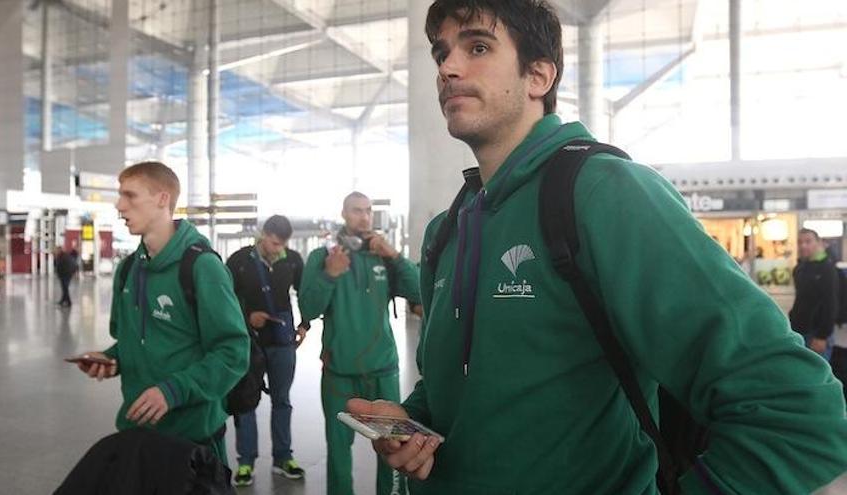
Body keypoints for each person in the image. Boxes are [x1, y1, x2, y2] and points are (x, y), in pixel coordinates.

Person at [347, 1, 847, 494]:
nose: (448, 68)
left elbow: (796, 411)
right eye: (440, 54)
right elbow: (452, 386)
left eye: (477, 46)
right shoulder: (446, 229)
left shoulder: (604, 193)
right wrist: (412, 422)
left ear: (538, 76)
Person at [73, 161, 249, 464]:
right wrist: (113, 359)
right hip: (137, 431)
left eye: (130, 196)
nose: (119, 205)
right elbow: (135, 340)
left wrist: (173, 391)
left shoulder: (202, 267)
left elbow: (233, 352)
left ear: (162, 199)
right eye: (120, 195)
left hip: (192, 438)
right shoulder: (128, 269)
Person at [299, 191, 420, 495]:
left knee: (393, 451)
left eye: (368, 211)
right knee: (339, 453)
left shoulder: (383, 256)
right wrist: (330, 274)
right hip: (339, 374)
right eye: (356, 211)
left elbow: (420, 291)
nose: (364, 217)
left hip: (383, 371)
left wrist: (394, 256)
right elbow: (308, 309)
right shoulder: (323, 257)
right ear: (343, 213)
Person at [226, 214, 309, 486]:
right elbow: (226, 299)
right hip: (248, 343)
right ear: (263, 235)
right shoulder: (238, 261)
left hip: (282, 342)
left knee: (282, 400)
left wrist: (304, 324)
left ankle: (283, 458)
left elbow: (305, 292)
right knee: (246, 401)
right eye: (273, 243)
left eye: (281, 245)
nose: (277, 249)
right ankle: (246, 462)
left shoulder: (293, 260)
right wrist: (248, 315)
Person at [790, 228, 840, 362]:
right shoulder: (799, 269)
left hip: (817, 333)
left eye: (808, 241)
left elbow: (831, 304)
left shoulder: (827, 268)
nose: (803, 245)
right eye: (800, 242)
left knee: (817, 377)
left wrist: (822, 336)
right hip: (800, 331)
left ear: (818, 243)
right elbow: (801, 300)